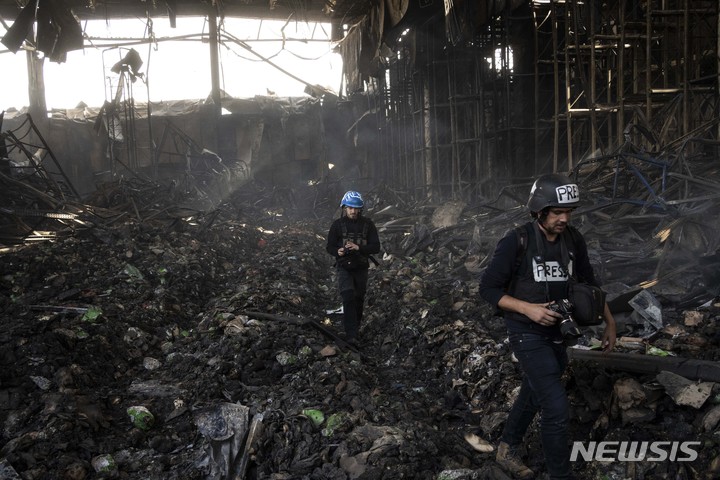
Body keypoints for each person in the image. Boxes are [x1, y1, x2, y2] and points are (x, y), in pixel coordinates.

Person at [478, 173, 617, 480]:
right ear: (539, 211)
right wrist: (527, 308)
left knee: (535, 386)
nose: (564, 218)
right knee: (556, 408)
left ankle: (507, 448)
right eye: (557, 212)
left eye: (568, 212)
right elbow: (487, 288)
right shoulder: (517, 240)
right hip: (526, 332)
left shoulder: (573, 240)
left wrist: (609, 322)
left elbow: (589, 283)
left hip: (559, 332)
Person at [326, 190, 381, 345]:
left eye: (356, 208)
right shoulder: (337, 225)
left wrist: (358, 248)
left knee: (358, 298)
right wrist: (338, 251)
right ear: (344, 207)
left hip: (361, 266)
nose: (353, 211)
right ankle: (351, 334)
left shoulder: (368, 225)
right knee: (348, 296)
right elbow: (329, 246)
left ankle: (355, 328)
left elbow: (376, 247)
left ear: (360, 209)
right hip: (344, 267)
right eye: (350, 208)